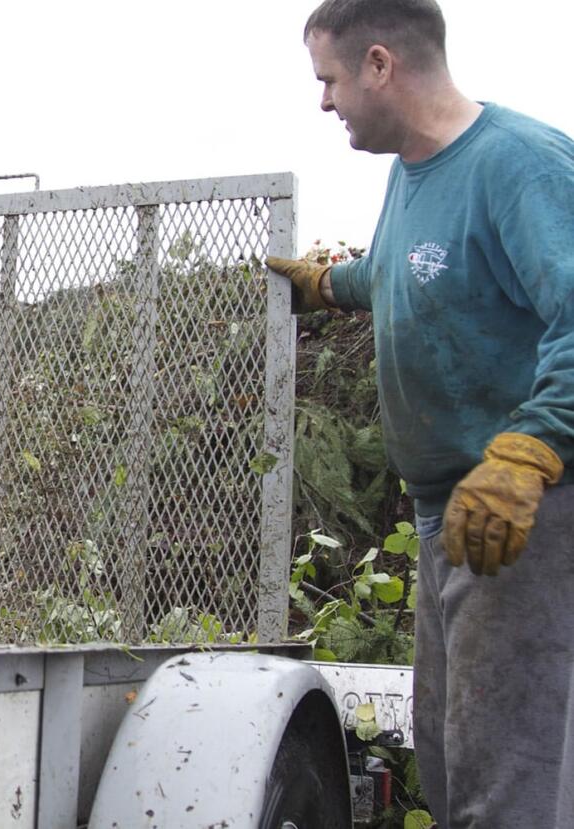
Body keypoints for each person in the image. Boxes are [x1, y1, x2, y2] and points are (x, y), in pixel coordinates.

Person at [266, 1, 574, 825]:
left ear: (379, 64)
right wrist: (328, 285)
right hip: (450, 520)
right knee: (449, 762)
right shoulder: (412, 170)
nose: (323, 102)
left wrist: (530, 449)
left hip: (521, 518)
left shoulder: (521, 166)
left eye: (328, 80)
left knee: (505, 780)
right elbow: (408, 273)